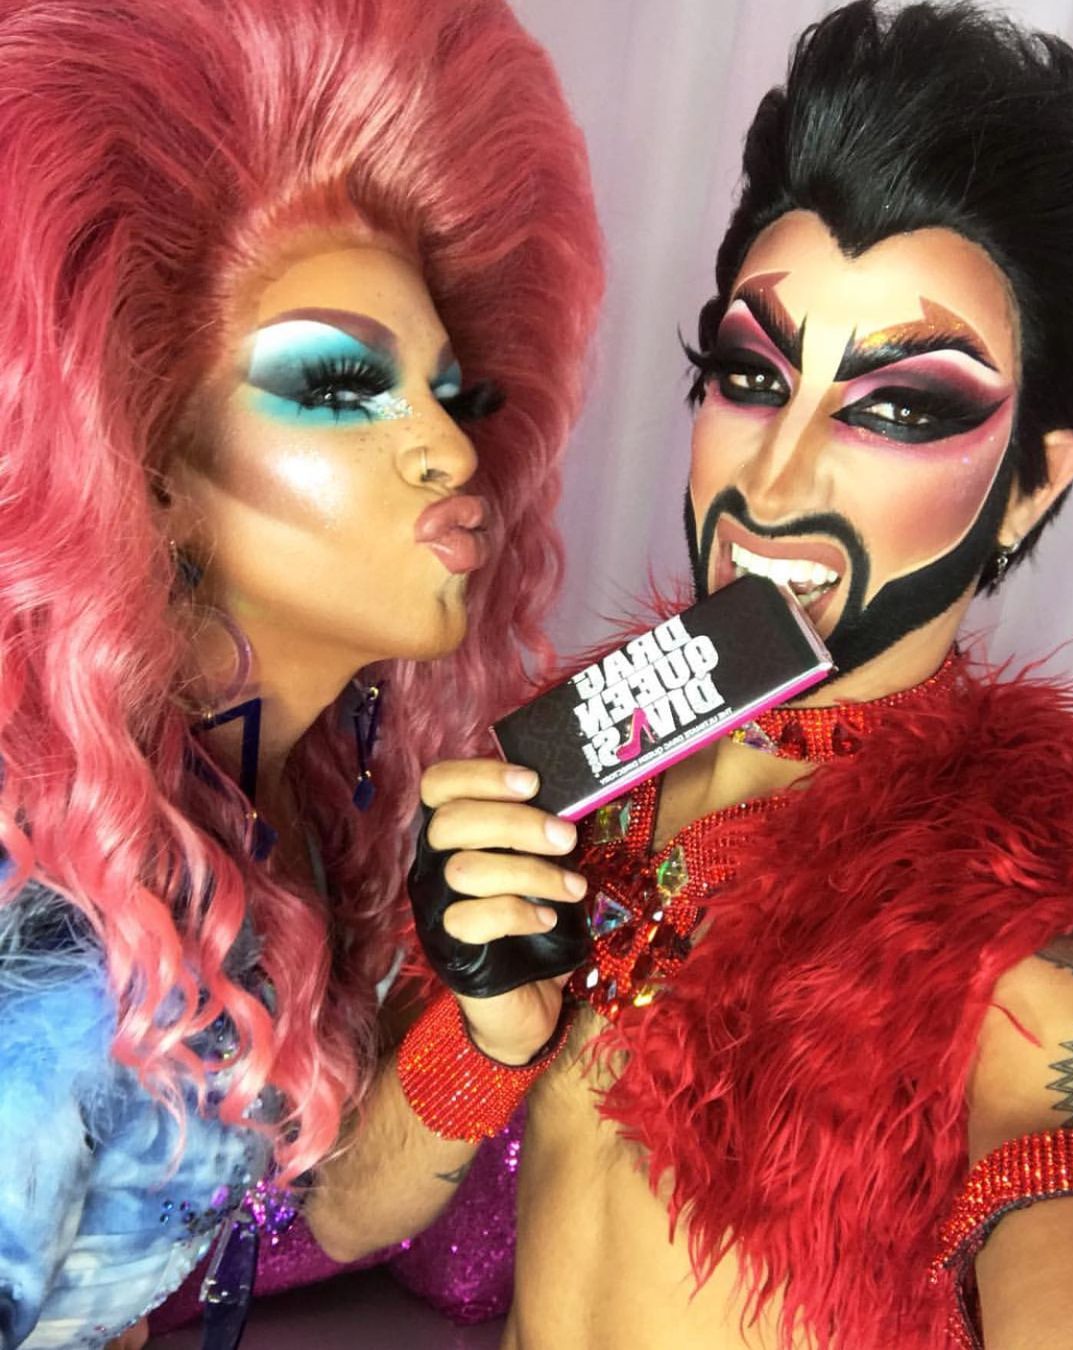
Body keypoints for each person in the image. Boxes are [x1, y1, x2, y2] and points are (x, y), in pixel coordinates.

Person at [308, 3, 1073, 1347]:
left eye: (899, 407)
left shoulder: (1022, 910)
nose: (774, 481)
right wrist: (484, 1036)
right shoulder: (576, 760)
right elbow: (338, 1217)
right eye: (751, 374)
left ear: (1031, 487)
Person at [0, 0, 601, 1344]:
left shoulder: (292, 813)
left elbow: (312, 1215)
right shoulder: (51, 923)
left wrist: (489, 1031)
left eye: (456, 393)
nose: (452, 450)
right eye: (339, 384)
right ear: (150, 456)